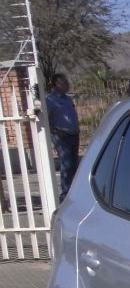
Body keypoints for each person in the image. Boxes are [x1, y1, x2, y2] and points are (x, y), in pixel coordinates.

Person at [46, 73, 80, 201]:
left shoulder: (68, 99)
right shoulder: (50, 100)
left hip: (74, 134)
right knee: (66, 164)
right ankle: (65, 194)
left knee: (74, 164)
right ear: (55, 85)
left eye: (67, 81)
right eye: (63, 82)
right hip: (62, 136)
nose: (67, 84)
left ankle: (74, 191)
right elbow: (45, 119)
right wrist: (54, 131)